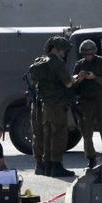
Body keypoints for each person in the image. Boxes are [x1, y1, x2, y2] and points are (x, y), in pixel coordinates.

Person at [37, 36, 83, 177]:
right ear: (57, 49)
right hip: (57, 104)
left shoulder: (41, 61)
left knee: (48, 134)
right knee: (59, 134)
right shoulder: (57, 63)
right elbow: (68, 83)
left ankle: (48, 166)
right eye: (63, 50)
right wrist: (78, 77)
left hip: (45, 104)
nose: (64, 53)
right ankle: (56, 165)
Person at [73, 39, 102, 168]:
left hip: (100, 101)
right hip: (85, 102)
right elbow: (73, 87)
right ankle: (91, 158)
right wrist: (78, 79)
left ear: (94, 52)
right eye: (85, 54)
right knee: (86, 132)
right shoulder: (79, 65)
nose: (88, 57)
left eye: (90, 54)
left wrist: (95, 77)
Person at [27, 37, 55, 176]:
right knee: (45, 134)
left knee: (38, 135)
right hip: (42, 103)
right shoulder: (48, 64)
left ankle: (40, 164)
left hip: (38, 102)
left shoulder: (38, 63)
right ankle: (44, 164)